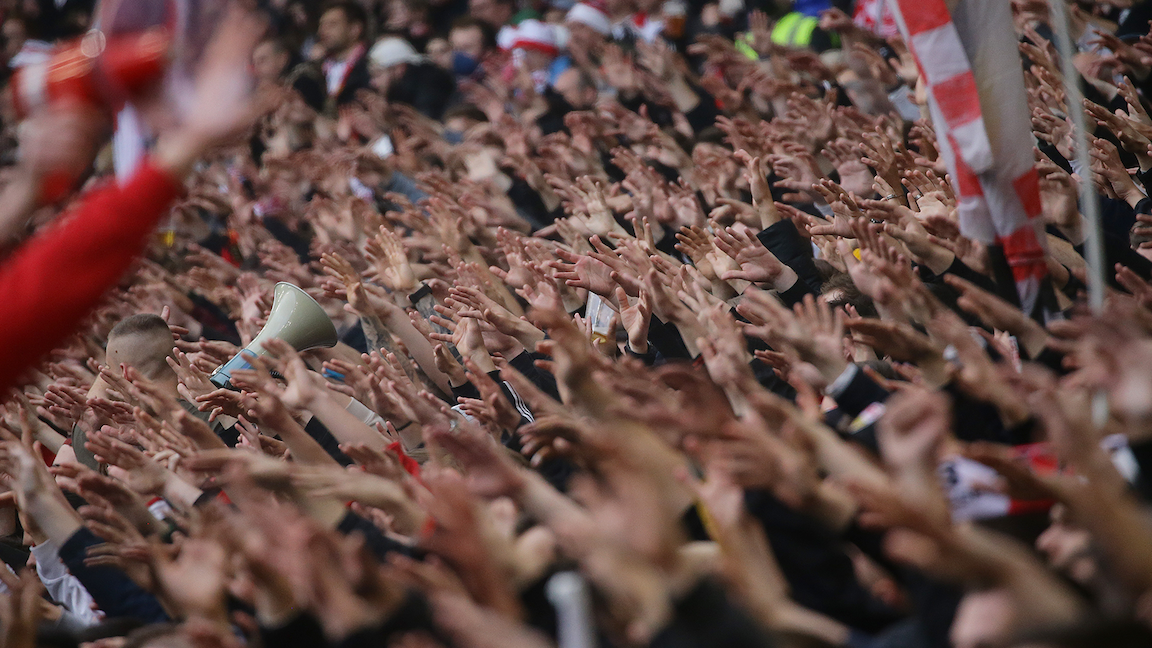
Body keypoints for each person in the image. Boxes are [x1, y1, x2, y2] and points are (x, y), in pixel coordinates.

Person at [366, 36, 457, 119]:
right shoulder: (403, 91)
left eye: (377, 75)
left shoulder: (429, 87)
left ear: (399, 68)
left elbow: (426, 123)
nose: (372, 83)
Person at [315, 0, 371, 114]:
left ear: (354, 29)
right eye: (321, 25)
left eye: (332, 24)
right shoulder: (317, 68)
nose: (322, 31)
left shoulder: (370, 66)